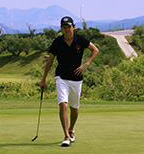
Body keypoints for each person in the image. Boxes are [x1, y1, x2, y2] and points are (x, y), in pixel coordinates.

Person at [39, 16, 99, 147]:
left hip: (76, 79)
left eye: (69, 27)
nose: (67, 29)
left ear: (73, 27)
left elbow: (95, 50)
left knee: (74, 108)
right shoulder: (57, 42)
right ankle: (66, 136)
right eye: (64, 27)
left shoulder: (80, 40)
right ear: (61, 28)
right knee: (63, 104)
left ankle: (71, 129)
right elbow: (50, 60)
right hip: (61, 77)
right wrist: (43, 78)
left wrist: (86, 64)